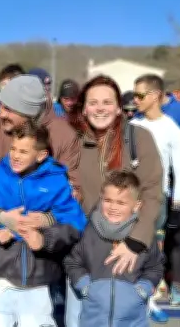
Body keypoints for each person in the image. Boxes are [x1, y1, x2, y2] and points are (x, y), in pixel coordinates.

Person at [0, 122, 86, 326]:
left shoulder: (55, 180)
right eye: (13, 149)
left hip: (39, 279)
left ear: (41, 155)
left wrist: (45, 236)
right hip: (1, 273)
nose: (15, 156)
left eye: (23, 151)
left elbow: (76, 222)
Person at [66, 75, 163, 327]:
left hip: (128, 252)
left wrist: (135, 242)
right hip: (87, 253)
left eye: (107, 102)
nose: (100, 108)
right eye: (93, 102)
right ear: (84, 107)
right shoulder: (70, 141)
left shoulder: (138, 138)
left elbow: (152, 192)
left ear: (119, 106)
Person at [64, 170, 164, 327]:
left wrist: (143, 289)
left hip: (132, 319)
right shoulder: (88, 230)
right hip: (92, 318)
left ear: (137, 206)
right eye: (108, 200)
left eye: (121, 203)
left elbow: (155, 266)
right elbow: (73, 261)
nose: (113, 207)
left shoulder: (142, 236)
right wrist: (85, 286)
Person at [130, 74, 180, 321]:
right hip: (129, 199)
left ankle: (148, 299)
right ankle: (129, 297)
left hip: (156, 199)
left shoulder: (171, 128)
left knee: (150, 250)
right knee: (128, 250)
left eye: (140, 95)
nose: (135, 100)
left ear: (155, 96)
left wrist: (178, 197)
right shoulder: (133, 125)